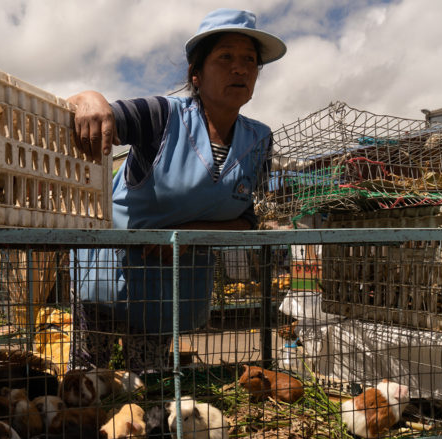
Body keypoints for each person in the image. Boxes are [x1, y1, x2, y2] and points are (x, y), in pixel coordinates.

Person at [67, 9, 287, 376]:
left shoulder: (258, 141)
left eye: (250, 60)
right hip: (110, 276)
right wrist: (89, 97)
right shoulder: (162, 116)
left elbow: (247, 219)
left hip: (170, 289)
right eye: (226, 57)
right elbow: (94, 113)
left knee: (149, 385)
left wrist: (190, 235)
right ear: (196, 74)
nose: (240, 69)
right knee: (89, 382)